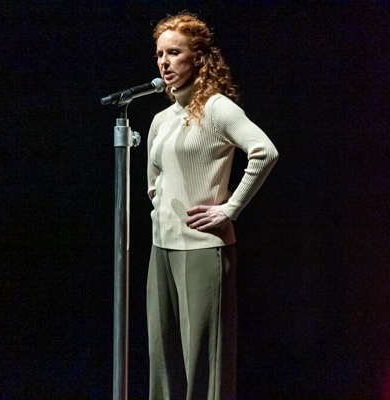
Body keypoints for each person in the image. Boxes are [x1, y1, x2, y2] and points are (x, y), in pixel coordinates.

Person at [146, 13, 278, 400]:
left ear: (199, 57)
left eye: (174, 52)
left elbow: (264, 152)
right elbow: (155, 180)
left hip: (203, 249)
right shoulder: (161, 119)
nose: (165, 62)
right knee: (163, 359)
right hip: (162, 248)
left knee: (204, 362)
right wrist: (161, 212)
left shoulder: (217, 108)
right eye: (160, 54)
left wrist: (229, 209)